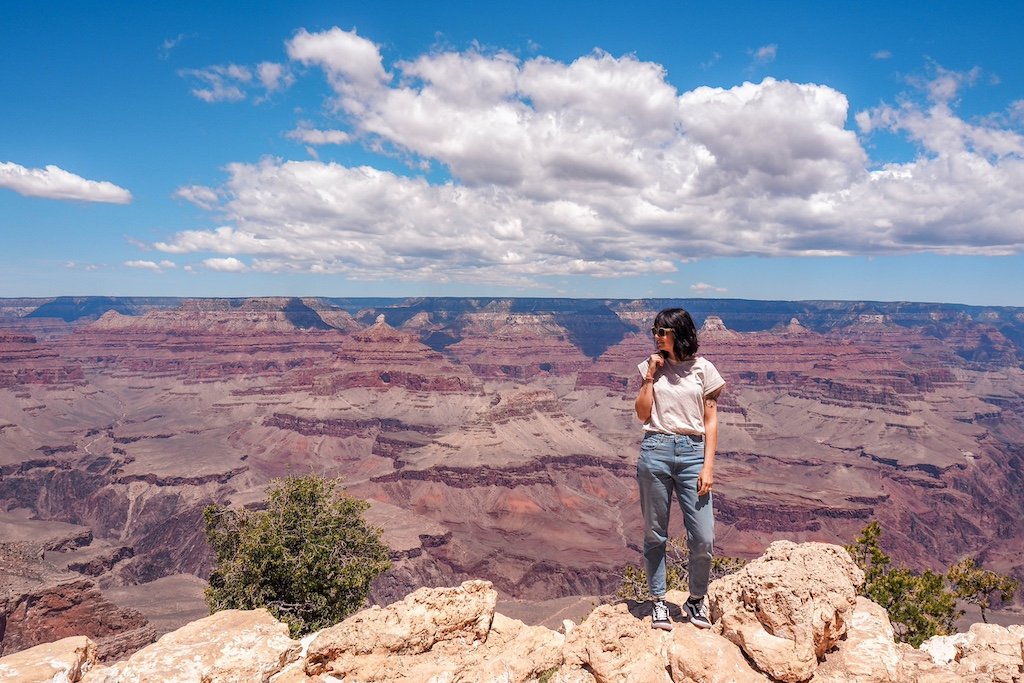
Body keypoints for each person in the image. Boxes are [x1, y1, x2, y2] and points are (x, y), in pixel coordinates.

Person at [634, 307, 725, 631]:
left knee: (703, 536)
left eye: (662, 331)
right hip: (655, 450)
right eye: (654, 331)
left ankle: (696, 599)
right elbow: (642, 414)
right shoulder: (650, 367)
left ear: (679, 333)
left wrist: (708, 466)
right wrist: (649, 375)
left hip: (692, 454)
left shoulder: (704, 369)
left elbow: (710, 420)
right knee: (655, 533)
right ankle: (659, 600)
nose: (656, 337)